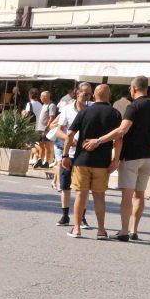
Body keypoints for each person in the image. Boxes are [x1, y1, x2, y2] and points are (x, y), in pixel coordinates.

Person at [83, 75, 150, 241]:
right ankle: (135, 230)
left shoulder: (133, 107)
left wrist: (98, 140)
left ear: (133, 88)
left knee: (127, 195)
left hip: (131, 157)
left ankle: (124, 231)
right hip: (149, 157)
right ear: (147, 88)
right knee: (140, 194)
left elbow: (122, 130)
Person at [63, 83, 122, 239]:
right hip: (102, 162)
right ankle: (101, 230)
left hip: (82, 159)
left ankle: (76, 229)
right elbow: (118, 139)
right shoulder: (115, 114)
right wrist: (116, 160)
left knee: (81, 195)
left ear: (94, 96)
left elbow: (69, 134)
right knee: (99, 196)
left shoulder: (84, 112)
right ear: (109, 96)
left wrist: (65, 155)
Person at [55, 88, 90, 229]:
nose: (87, 96)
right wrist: (70, 139)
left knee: (83, 188)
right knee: (65, 185)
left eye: (90, 94)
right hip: (69, 152)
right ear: (77, 93)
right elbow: (58, 131)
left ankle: (82, 217)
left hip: (85, 153)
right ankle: (65, 215)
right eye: (85, 93)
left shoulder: (92, 108)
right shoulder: (67, 109)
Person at [34, 90, 57, 168]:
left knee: (47, 145)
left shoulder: (51, 105)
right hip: (40, 128)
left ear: (45, 97)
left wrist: (47, 128)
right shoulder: (44, 105)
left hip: (45, 128)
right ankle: (40, 159)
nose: (40, 98)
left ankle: (46, 161)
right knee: (41, 145)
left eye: (41, 96)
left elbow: (52, 117)